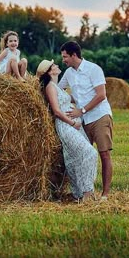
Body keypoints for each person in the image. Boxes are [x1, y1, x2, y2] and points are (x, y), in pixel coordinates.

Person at [58, 41, 113, 200]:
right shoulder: (68, 73)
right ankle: (86, 193)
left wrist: (81, 110)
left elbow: (101, 95)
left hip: (99, 116)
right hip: (82, 120)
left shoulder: (93, 69)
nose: (64, 60)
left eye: (65, 57)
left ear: (74, 55)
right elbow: (57, 89)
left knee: (104, 154)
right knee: (83, 156)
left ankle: (105, 195)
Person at [37, 59, 97, 202]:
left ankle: (79, 194)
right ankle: (87, 191)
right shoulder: (50, 87)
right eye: (54, 65)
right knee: (89, 153)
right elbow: (57, 111)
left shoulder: (57, 87)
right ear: (49, 71)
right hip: (66, 126)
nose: (57, 65)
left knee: (75, 158)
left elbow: (75, 99)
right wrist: (72, 122)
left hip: (75, 125)